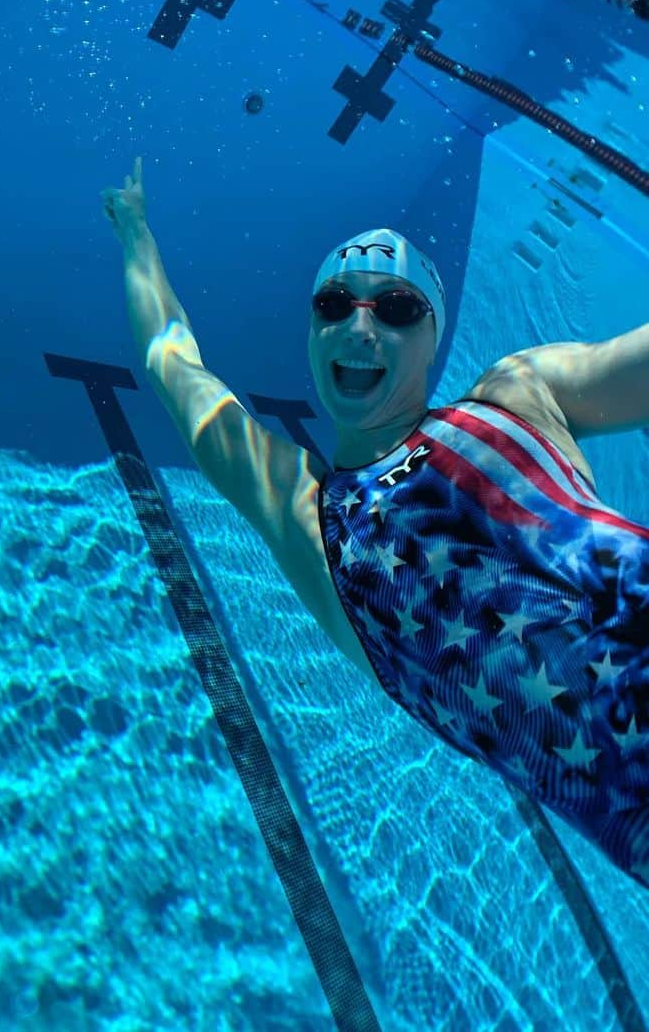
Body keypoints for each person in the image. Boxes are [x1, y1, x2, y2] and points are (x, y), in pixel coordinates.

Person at [102, 156, 649, 886]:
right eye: (334, 305)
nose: (360, 326)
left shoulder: (519, 398)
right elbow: (173, 366)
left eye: (394, 309)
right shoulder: (313, 523)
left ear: (433, 336)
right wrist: (137, 231)